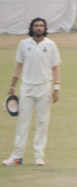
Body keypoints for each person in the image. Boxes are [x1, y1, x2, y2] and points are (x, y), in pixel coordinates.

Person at [2, 17, 61, 166]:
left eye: (41, 25)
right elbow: (19, 66)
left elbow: (55, 67)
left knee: (42, 123)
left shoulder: (51, 45)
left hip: (44, 88)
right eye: (36, 25)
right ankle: (17, 157)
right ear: (32, 28)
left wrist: (56, 87)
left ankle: (39, 157)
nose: (39, 28)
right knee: (23, 123)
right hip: (27, 88)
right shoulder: (23, 44)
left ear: (45, 28)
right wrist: (12, 86)